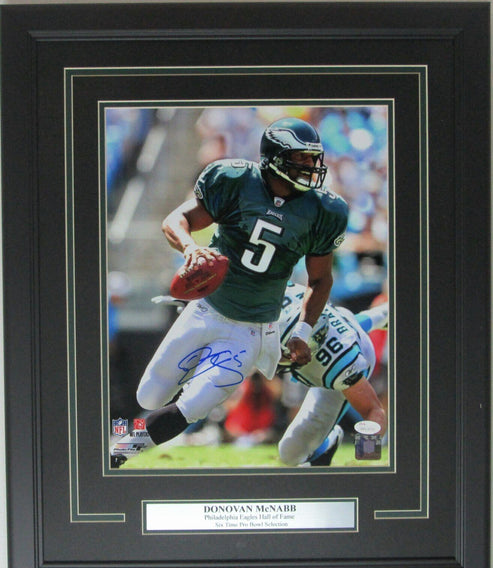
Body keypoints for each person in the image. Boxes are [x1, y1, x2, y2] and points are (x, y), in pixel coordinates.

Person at [111, 117, 348, 466]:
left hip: (252, 330)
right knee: (149, 395)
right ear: (274, 157)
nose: (310, 166)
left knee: (193, 406)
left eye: (313, 158)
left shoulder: (323, 210)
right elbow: (175, 221)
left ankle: (117, 453)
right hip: (206, 309)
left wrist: (302, 331)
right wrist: (191, 248)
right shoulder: (236, 181)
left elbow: (321, 279)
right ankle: (119, 442)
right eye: (300, 158)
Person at [276, 281, 388, 467]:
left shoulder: (339, 362)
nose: (277, 355)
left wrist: (366, 456)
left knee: (290, 454)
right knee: (355, 319)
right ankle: (383, 314)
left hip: (343, 354)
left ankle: (329, 439)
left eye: (286, 351)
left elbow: (373, 410)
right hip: (337, 319)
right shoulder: (282, 296)